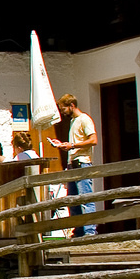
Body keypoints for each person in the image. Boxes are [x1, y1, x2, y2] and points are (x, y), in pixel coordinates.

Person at [49, 94, 98, 235]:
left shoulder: (84, 119)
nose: (62, 112)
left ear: (71, 105)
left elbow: (93, 140)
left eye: (63, 108)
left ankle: (90, 232)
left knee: (86, 198)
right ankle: (78, 230)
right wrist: (63, 145)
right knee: (73, 200)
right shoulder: (73, 121)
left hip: (82, 163)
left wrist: (73, 145)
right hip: (73, 163)